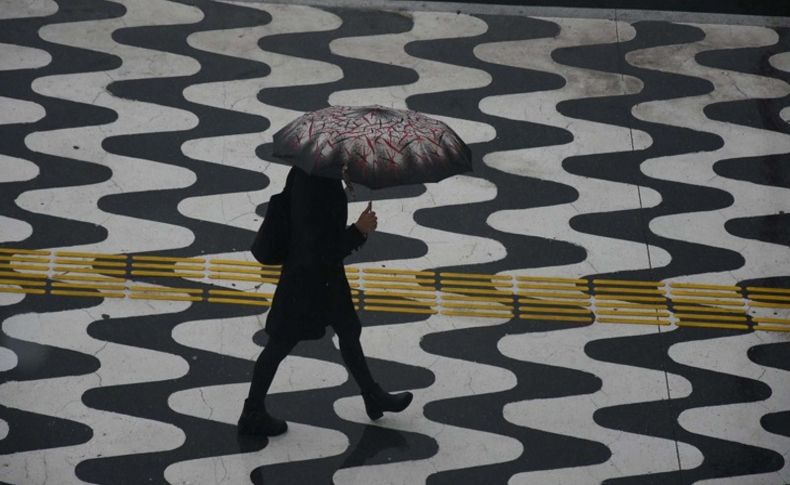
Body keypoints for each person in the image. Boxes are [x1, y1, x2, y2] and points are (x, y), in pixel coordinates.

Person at [238, 165, 413, 436]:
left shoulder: (312, 172)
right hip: (307, 280)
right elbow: (318, 245)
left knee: (349, 330)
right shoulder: (316, 183)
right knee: (280, 342)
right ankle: (252, 411)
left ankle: (372, 395)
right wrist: (358, 230)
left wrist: (339, 187)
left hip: (324, 278)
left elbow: (319, 224)